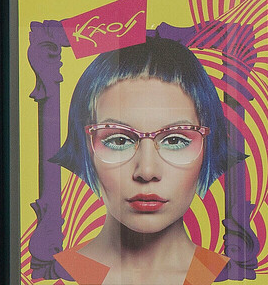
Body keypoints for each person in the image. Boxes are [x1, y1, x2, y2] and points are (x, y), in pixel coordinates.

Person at [47, 37, 244, 285]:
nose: (147, 171)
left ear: (208, 146)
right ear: (85, 147)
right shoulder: (54, 277)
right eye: (118, 140)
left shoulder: (231, 278)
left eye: (175, 140)